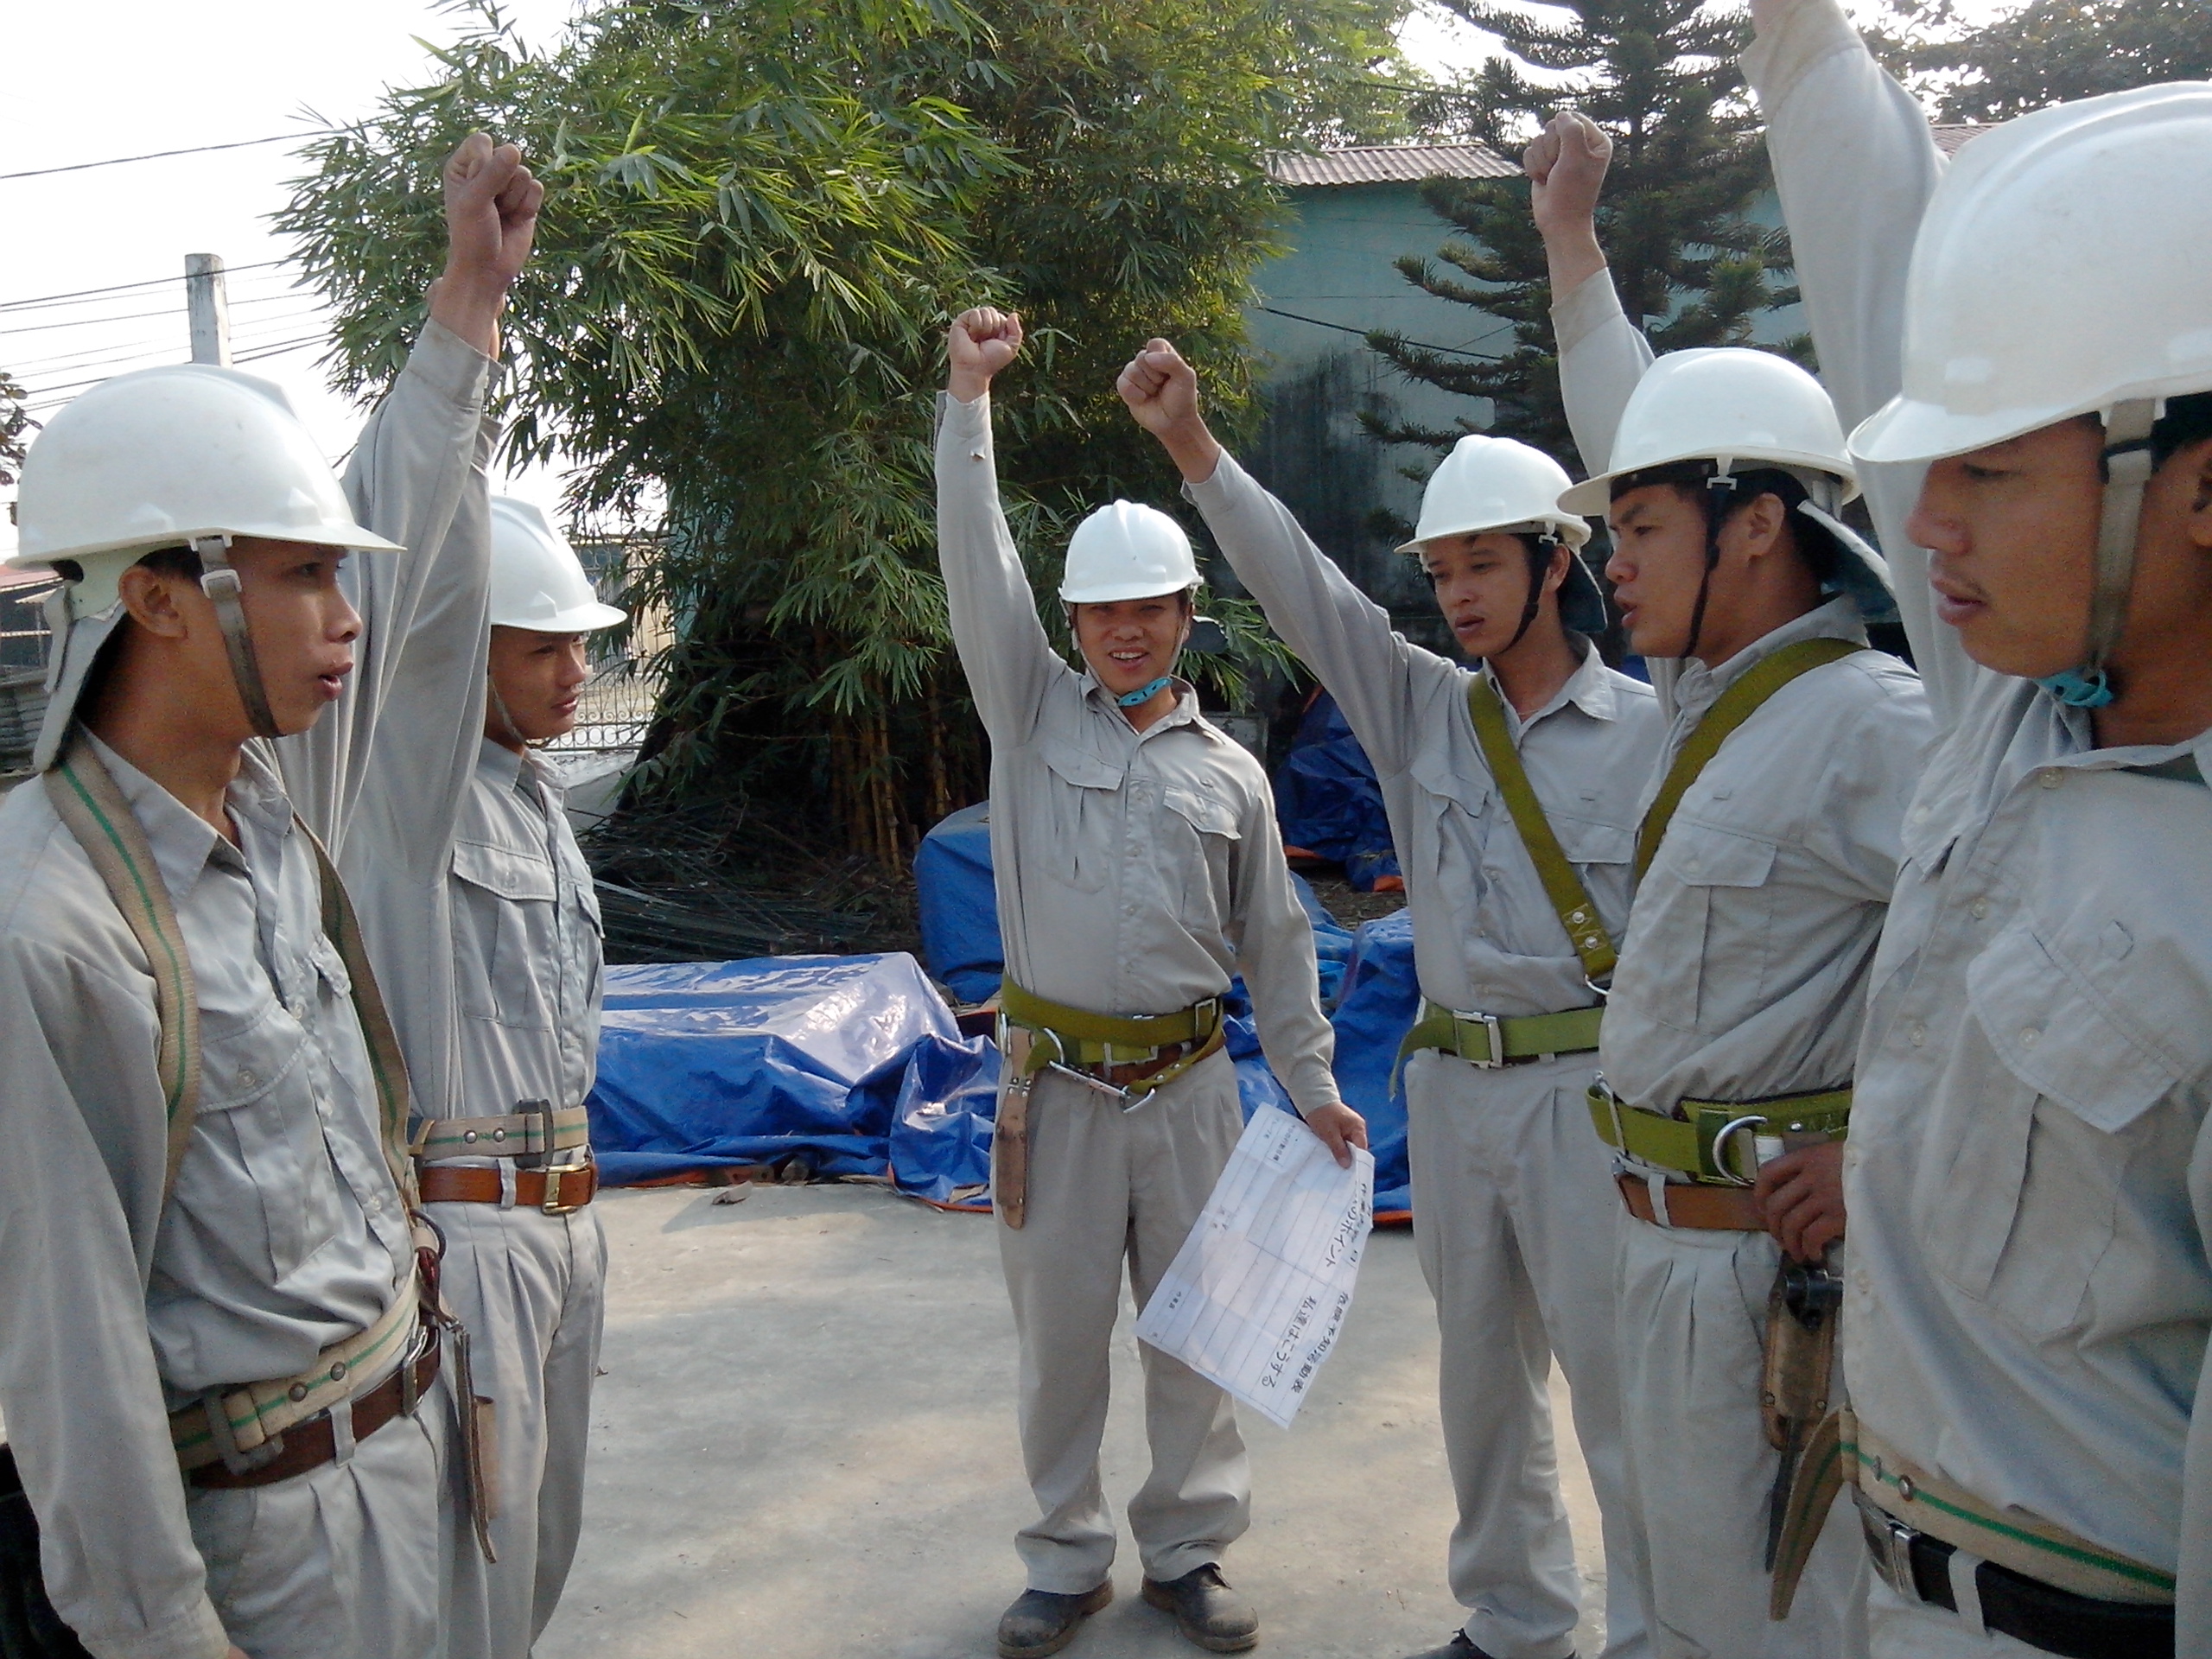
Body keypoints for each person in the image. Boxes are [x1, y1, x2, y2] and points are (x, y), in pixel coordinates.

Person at [0, 136, 536, 1659]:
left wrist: (469, 304)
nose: (348, 619)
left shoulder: (268, 805)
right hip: (264, 1546)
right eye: (304, 577)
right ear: (160, 600)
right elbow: (70, 1351)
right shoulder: (54, 925)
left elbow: (400, 502)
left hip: (405, 1457)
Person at [1739, 7, 2212, 1652]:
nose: (1920, 529)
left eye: (1991, 474)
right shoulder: (2026, 695)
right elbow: (1872, 252)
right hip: (1893, 1579)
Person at [1117, 340, 1658, 1659]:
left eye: (1486, 565)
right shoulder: (1423, 711)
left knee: (1627, 1390)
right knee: (1482, 1383)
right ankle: (1517, 1618)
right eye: (1444, 571)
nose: (1459, 595)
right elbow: (1303, 587)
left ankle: (1666, 1630)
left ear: (1557, 565)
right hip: (1452, 1093)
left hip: (1593, 1098)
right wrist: (1193, 448)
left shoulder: (1652, 732)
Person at [1529, 110, 1932, 1658]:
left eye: (1637, 533)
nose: (1611, 563)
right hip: (1654, 1242)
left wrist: (1886, 1156)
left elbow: (2013, 950)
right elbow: (1651, 436)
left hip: (1763, 1264)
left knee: (1773, 1622)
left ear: (1760, 528)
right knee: (1678, 1595)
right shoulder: (1721, 698)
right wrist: (1574, 253)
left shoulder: (1868, 725)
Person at [938, 304, 1365, 1659]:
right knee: (1060, 1346)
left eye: (1151, 607)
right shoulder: (1025, 712)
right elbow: (973, 563)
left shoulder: (1229, 774)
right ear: (1071, 620)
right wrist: (968, 403)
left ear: (1189, 615)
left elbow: (1279, 943)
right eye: (1102, 610)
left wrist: (1310, 1086)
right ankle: (1065, 1557)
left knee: (1199, 1341)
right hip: (1051, 1093)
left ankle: (1189, 1549)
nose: (1127, 630)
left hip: (1189, 1092)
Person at [331, 486, 620, 1658]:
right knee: (479, 1556)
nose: (574, 672)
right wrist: (472, 321)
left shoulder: (540, 804)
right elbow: (405, 591)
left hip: (568, 1224)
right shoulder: (413, 792)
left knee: (544, 1538)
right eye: (540, 644)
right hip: (473, 1237)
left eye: (579, 645)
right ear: (466, 653)